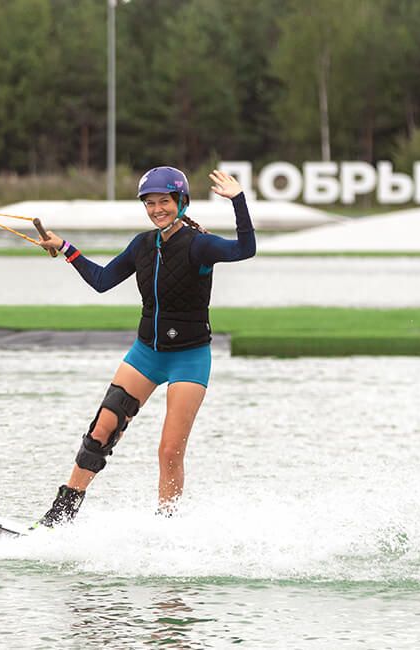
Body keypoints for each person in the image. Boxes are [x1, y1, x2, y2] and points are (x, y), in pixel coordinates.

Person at [33, 167, 255, 527]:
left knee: (169, 451)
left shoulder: (199, 245)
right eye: (150, 203)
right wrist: (66, 249)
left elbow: (246, 249)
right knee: (101, 430)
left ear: (181, 202)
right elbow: (103, 281)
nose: (157, 209)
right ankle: (61, 515)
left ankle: (166, 527)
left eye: (164, 201)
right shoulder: (142, 245)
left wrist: (238, 201)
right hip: (145, 354)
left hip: (189, 358)